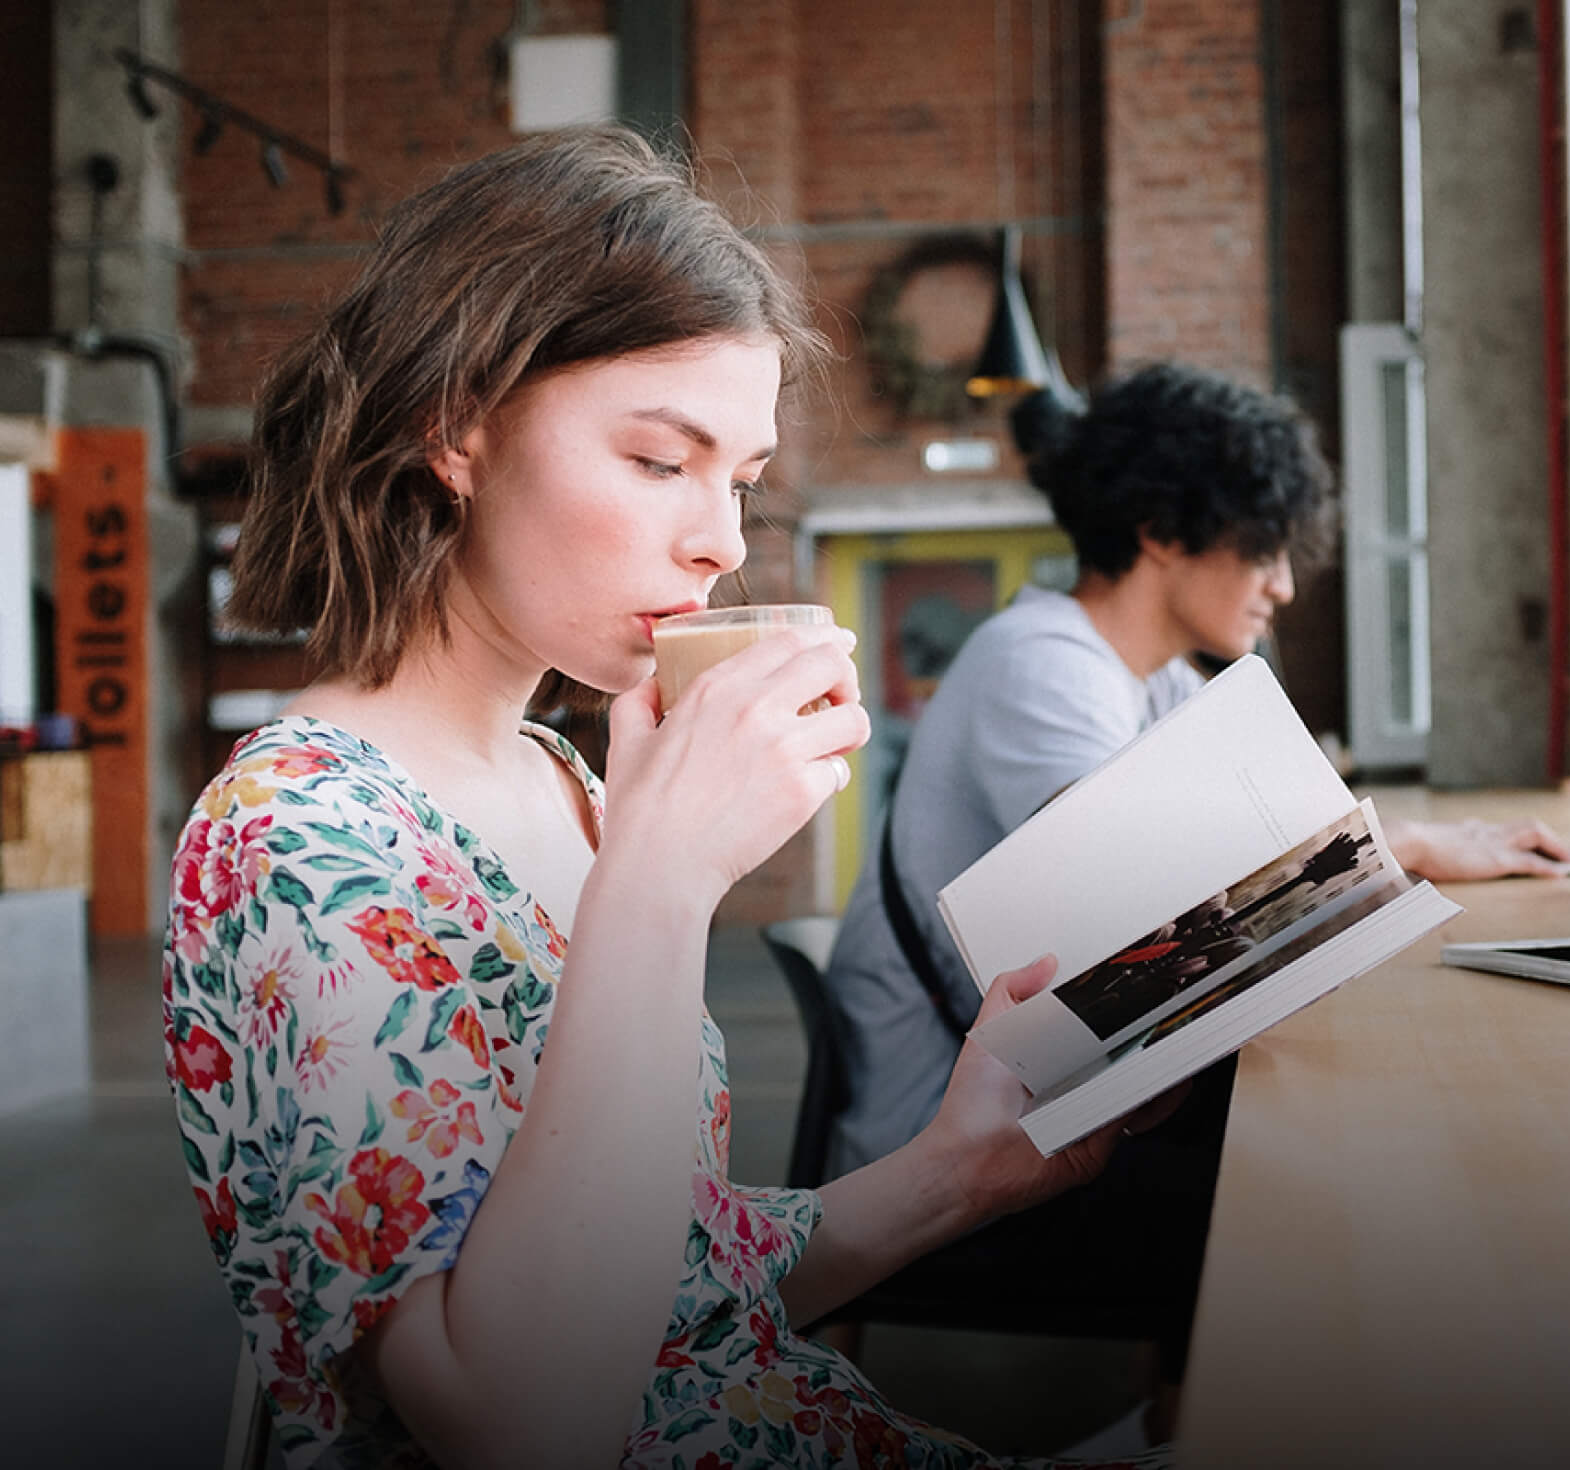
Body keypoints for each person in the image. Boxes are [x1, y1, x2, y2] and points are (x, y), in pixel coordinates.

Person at [161, 127, 1173, 1470]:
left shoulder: (560, 778)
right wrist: (663, 879)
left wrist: (961, 1169)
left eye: (739, 479)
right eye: (658, 459)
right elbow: (523, 1422)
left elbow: (661, 1300)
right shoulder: (294, 840)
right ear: (455, 423)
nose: (723, 539)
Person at [816, 364, 1570, 1424]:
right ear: (1164, 530)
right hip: (948, 1139)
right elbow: (1172, 913)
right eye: (1263, 547)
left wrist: (1396, 848)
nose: (1286, 584)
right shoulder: (1042, 667)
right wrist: (1390, 850)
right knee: (1319, 1195)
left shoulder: (1153, 677)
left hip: (1046, 1099)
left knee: (1327, 1139)